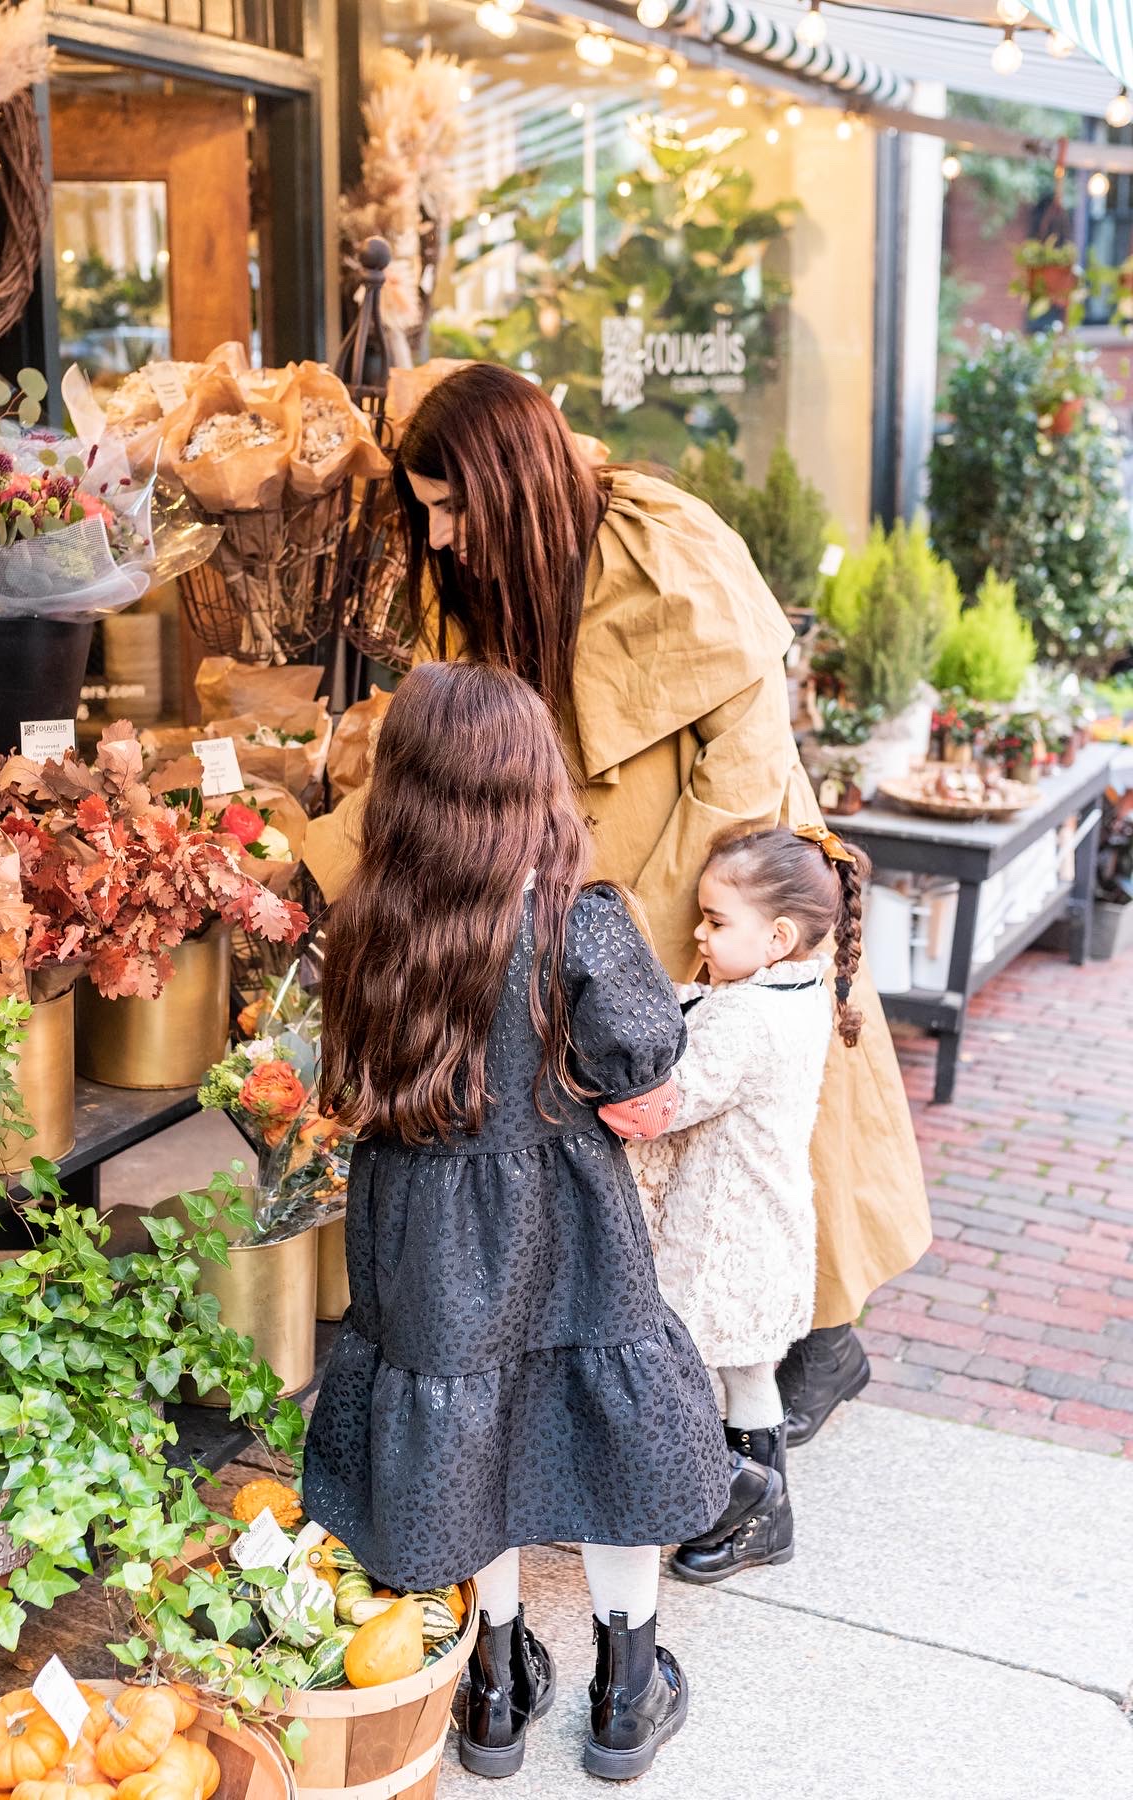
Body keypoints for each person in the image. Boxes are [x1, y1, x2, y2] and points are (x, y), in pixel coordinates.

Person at [304, 362, 930, 1443]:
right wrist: (320, 861)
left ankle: (809, 1350)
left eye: (453, 508)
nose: (442, 539)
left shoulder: (666, 542)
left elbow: (741, 777)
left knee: (765, 1145)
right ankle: (666, 1373)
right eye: (429, 512)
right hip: (589, 886)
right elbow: (447, 753)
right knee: (647, 1156)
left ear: (509, 485)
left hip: (721, 891)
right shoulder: (489, 585)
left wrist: (667, 951)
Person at [303, 661, 733, 1782]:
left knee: (463, 1442)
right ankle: (625, 1699)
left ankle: (493, 1693)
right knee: (608, 1436)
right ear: (532, 781)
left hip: (422, 1222)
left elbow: (344, 1075)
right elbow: (642, 1058)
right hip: (564, 1214)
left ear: (404, 788)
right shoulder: (574, 920)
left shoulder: (372, 920)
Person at [629, 822, 872, 1585]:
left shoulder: (745, 1018)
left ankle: (740, 1494)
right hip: (769, 1229)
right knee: (749, 1378)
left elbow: (678, 1096)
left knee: (677, 1370)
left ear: (777, 936)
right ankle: (764, 1519)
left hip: (722, 1240)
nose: (698, 933)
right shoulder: (794, 993)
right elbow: (700, 1007)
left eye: (714, 921)